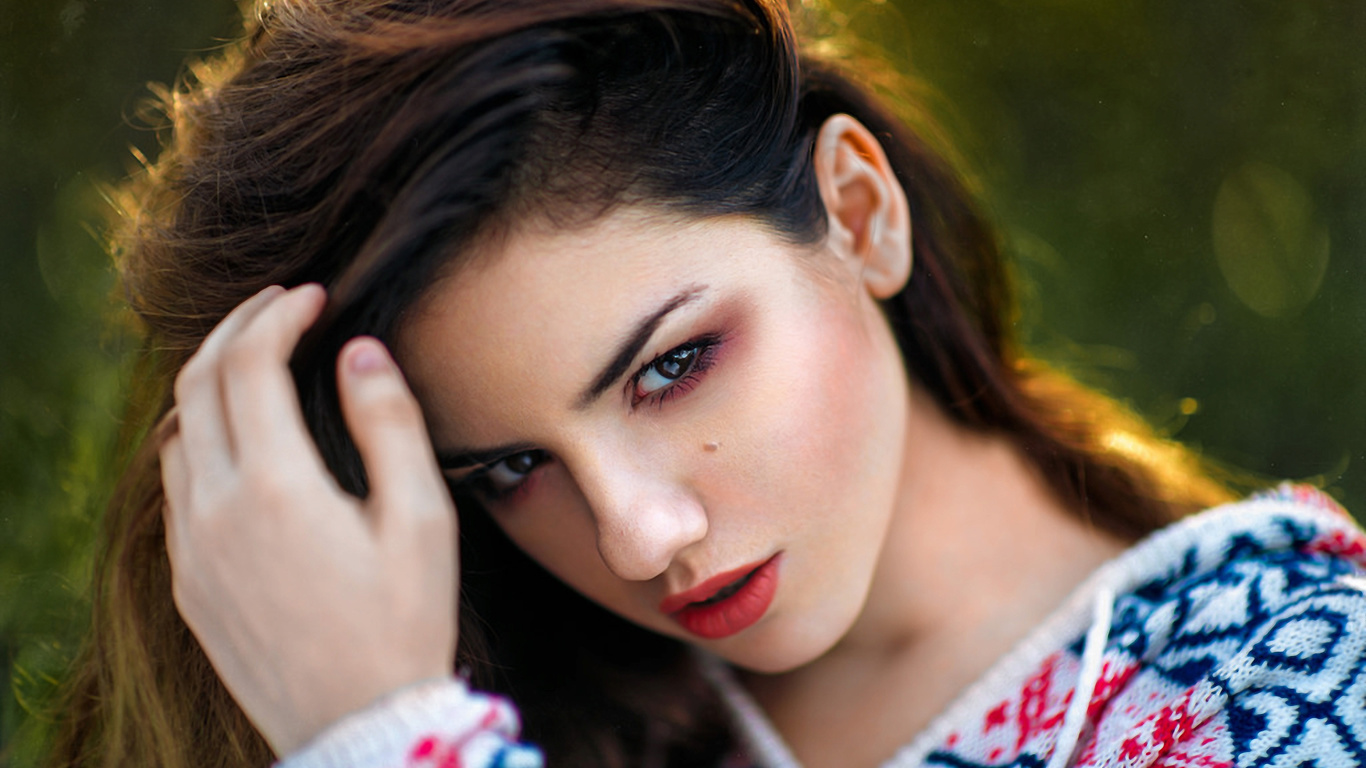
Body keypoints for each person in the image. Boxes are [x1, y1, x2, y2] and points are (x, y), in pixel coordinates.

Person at [48, 1, 1366, 766]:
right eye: (507, 467)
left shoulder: (1302, 682)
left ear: (857, 213)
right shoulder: (551, 713)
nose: (634, 534)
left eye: (672, 367)